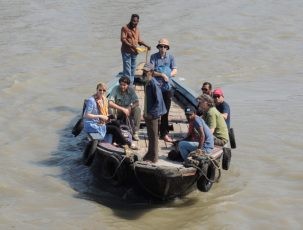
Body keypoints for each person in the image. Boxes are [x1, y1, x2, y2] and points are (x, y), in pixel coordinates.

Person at [83, 83, 136, 149]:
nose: (102, 92)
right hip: (93, 124)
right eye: (100, 90)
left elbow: (105, 111)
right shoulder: (91, 100)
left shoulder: (104, 99)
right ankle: (127, 143)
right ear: (97, 90)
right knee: (114, 129)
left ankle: (116, 140)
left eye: (104, 90)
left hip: (101, 121)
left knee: (116, 122)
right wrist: (100, 116)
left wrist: (108, 116)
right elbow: (86, 115)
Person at [150, 38, 177, 142]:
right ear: (158, 47)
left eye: (165, 46)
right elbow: (151, 71)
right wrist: (161, 74)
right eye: (161, 46)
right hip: (156, 86)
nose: (162, 48)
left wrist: (168, 75)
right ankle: (154, 132)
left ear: (167, 48)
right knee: (156, 109)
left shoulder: (171, 57)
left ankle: (164, 133)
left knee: (166, 110)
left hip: (167, 87)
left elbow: (175, 69)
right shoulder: (153, 57)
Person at [141, 63, 167, 163]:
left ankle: (154, 158)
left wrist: (151, 114)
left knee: (154, 136)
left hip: (153, 115)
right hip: (148, 114)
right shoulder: (147, 82)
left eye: (146, 71)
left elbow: (159, 101)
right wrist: (145, 113)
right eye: (144, 71)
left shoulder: (153, 83)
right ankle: (149, 153)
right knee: (150, 135)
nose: (144, 73)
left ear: (151, 72)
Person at [108, 76, 141, 141]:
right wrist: (123, 109)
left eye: (124, 85)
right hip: (118, 110)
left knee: (137, 109)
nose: (122, 87)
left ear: (128, 85)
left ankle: (135, 132)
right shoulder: (115, 89)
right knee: (110, 109)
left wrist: (130, 107)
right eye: (121, 84)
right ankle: (114, 126)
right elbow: (110, 103)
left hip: (128, 110)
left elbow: (137, 102)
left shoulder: (131, 90)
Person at [120, 14, 151, 85]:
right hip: (126, 52)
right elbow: (123, 39)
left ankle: (130, 83)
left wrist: (147, 46)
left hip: (134, 52)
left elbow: (139, 41)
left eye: (136, 21)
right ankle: (129, 86)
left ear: (138, 22)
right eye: (133, 21)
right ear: (131, 20)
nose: (134, 23)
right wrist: (131, 45)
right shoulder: (125, 28)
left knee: (133, 68)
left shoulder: (137, 30)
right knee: (127, 69)